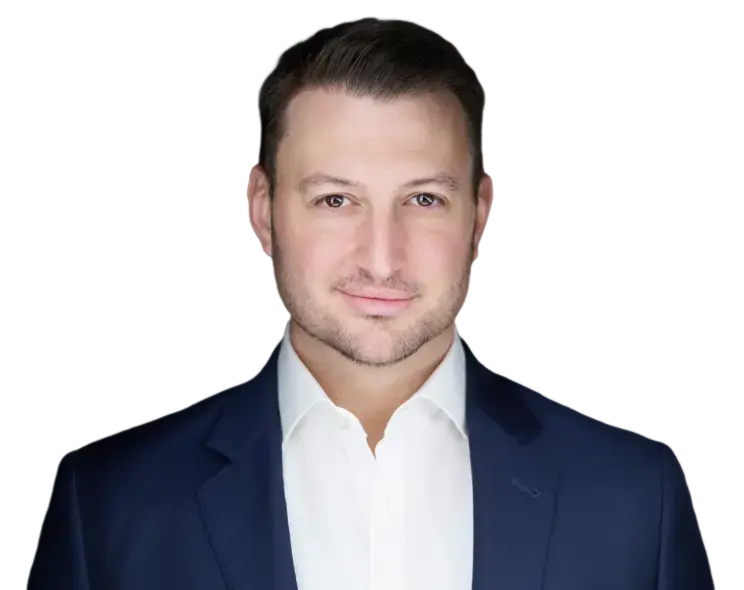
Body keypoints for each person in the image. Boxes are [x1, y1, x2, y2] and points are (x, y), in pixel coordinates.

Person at [26, 15, 718, 590]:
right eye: (336, 200)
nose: (382, 259)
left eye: (424, 199)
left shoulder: (638, 498)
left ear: (481, 214)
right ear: (261, 209)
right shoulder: (109, 506)